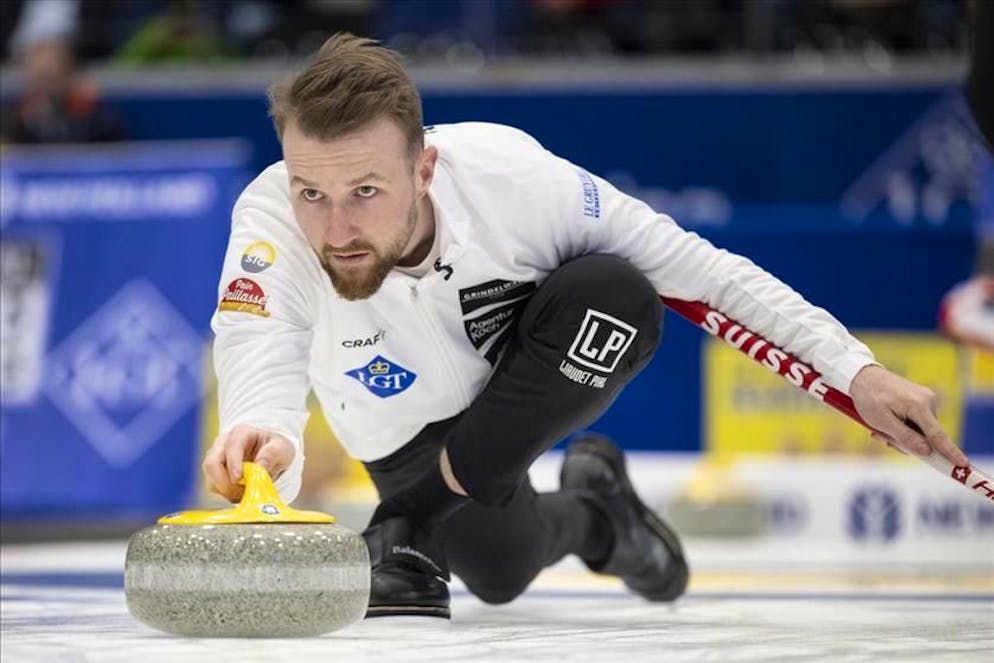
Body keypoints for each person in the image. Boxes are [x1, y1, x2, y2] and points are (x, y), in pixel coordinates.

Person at [202, 33, 970, 618]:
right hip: (396, 421)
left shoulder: (517, 183)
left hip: (521, 372)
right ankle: (601, 515)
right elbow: (259, 339)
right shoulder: (271, 218)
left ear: (425, 168)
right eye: (311, 192)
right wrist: (262, 436)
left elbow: (703, 275)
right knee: (501, 572)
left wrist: (854, 371)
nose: (335, 228)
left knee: (617, 293)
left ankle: (414, 513)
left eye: (366, 191)